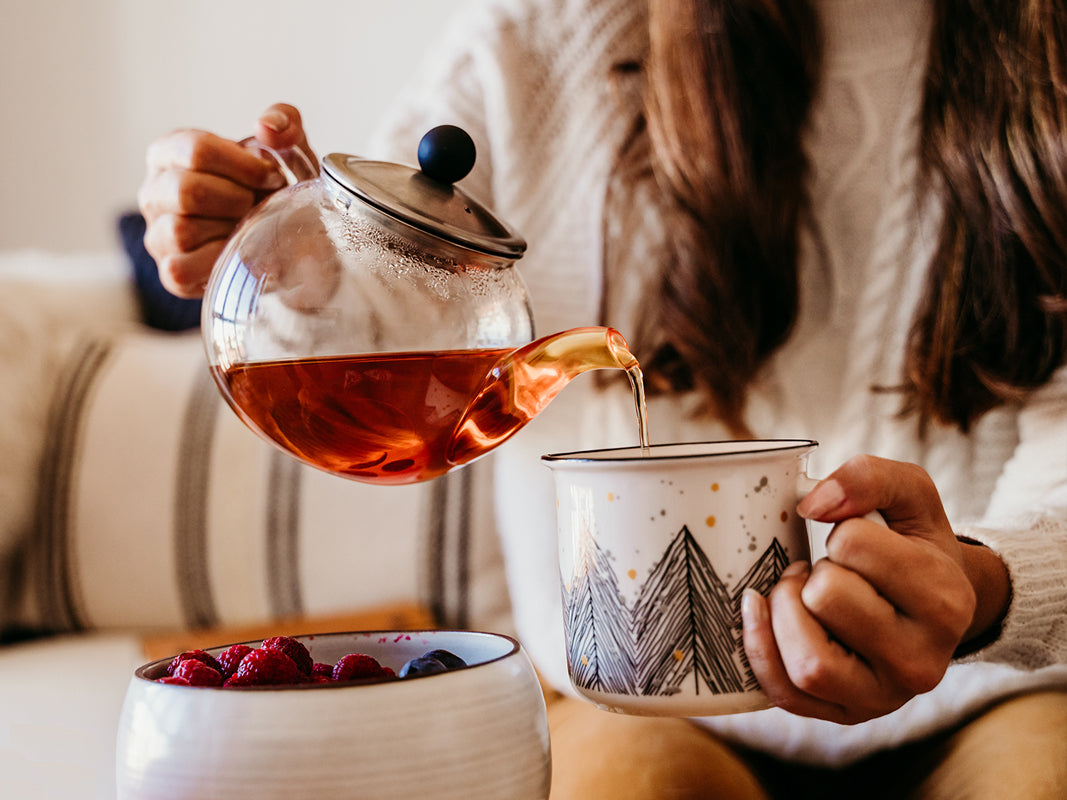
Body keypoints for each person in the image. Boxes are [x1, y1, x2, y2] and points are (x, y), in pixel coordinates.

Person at [138, 0, 1067, 796]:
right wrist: (280, 259)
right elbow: (374, 287)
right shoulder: (547, 40)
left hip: (992, 689)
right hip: (627, 703)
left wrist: (983, 585)